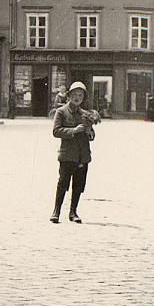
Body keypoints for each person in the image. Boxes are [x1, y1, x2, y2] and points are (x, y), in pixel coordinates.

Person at [50, 81, 97, 223]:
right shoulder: (61, 112)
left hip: (83, 156)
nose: (77, 97)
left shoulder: (86, 114)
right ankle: (56, 211)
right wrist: (73, 131)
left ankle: (73, 212)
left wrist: (89, 131)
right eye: (75, 94)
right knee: (63, 183)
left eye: (80, 95)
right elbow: (56, 131)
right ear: (69, 95)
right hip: (67, 155)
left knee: (78, 185)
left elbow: (92, 136)